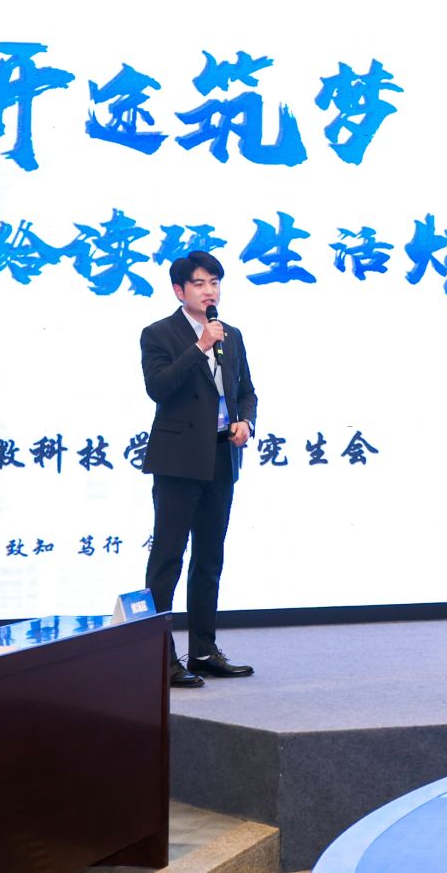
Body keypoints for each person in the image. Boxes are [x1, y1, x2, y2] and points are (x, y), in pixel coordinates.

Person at [140, 250, 258, 688]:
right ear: (179, 291)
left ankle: (204, 651)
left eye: (215, 283)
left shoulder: (233, 335)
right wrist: (200, 346)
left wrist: (246, 421)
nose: (210, 291)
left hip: (221, 457)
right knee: (168, 559)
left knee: (209, 559)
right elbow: (159, 388)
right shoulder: (158, 334)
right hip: (178, 462)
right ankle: (160, 657)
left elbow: (246, 391)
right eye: (200, 284)